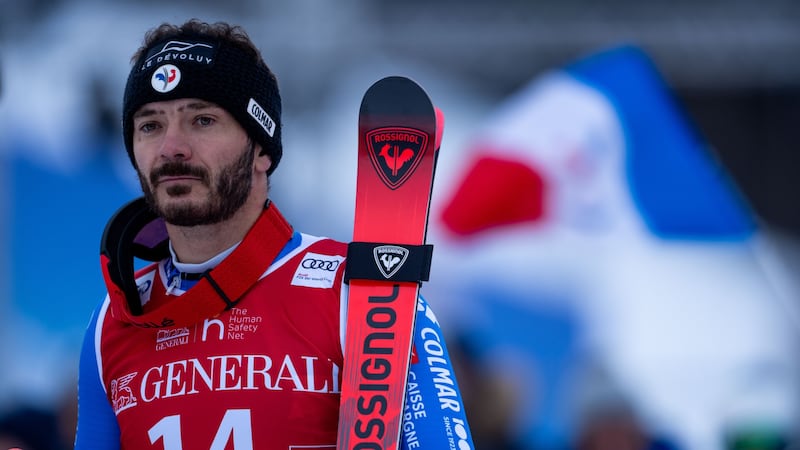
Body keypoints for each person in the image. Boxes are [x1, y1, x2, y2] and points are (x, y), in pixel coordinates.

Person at [74, 19, 474, 449]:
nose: (172, 147)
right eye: (150, 125)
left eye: (202, 121)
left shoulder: (359, 292)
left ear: (261, 149)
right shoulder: (113, 323)